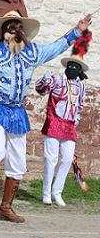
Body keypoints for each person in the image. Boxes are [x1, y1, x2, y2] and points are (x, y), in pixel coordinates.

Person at [0, 9, 91, 222]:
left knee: (18, 164)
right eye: (12, 27)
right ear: (4, 31)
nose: (16, 30)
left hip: (17, 112)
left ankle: (5, 207)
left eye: (19, 27)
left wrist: (77, 31)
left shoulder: (31, 53)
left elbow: (54, 48)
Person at [35, 29, 91, 207]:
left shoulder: (81, 87)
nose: (73, 68)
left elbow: (80, 104)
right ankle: (46, 193)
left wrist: (76, 118)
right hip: (54, 122)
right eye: (71, 66)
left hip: (69, 125)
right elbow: (42, 90)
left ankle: (57, 191)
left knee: (67, 159)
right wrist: (44, 80)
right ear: (66, 67)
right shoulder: (58, 79)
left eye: (77, 67)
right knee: (50, 159)